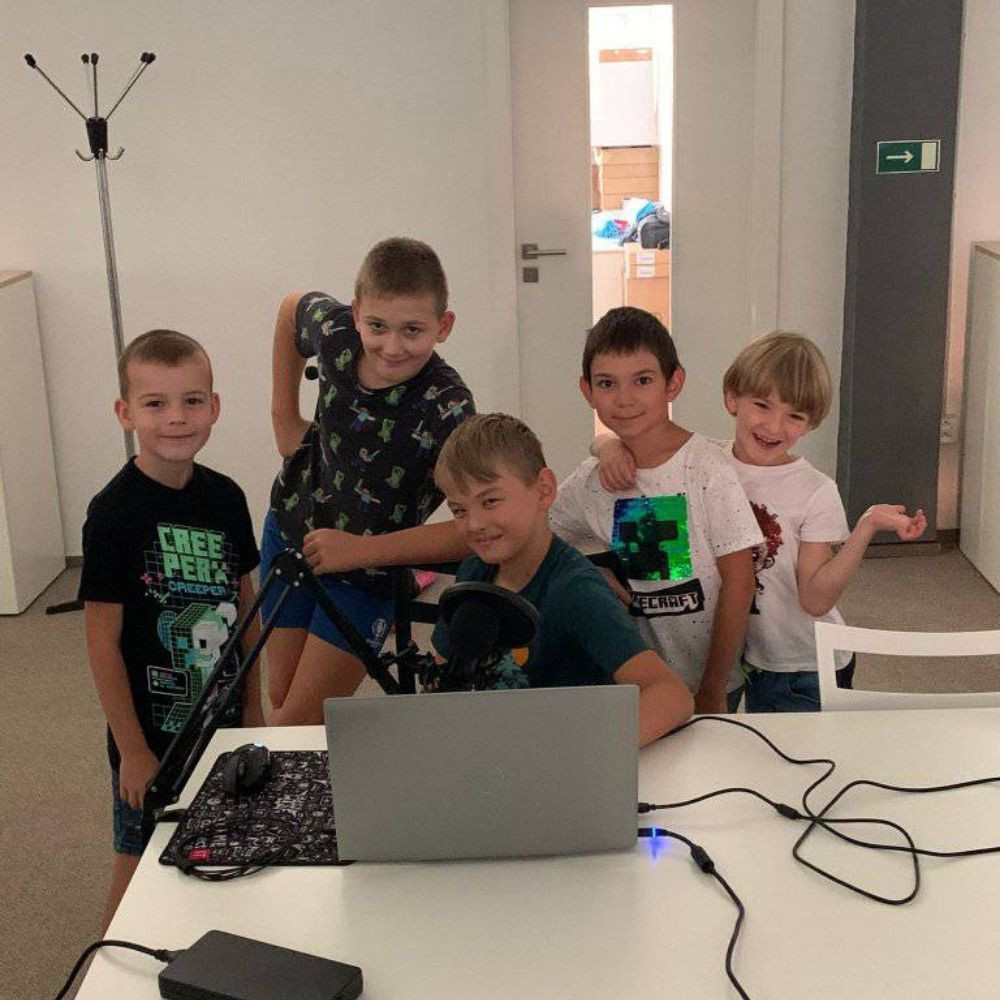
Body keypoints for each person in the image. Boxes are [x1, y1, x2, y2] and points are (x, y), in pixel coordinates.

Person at [596, 330, 927, 712]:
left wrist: (865, 526)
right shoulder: (704, 463)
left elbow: (816, 599)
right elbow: (643, 445)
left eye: (795, 416)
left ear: (811, 423)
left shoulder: (815, 490)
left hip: (802, 665)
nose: (774, 426)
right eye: (763, 405)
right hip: (742, 658)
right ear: (732, 398)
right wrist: (608, 446)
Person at [79, 330, 262, 931]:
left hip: (223, 724)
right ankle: (106, 969)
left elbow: (246, 607)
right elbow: (102, 642)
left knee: (227, 844)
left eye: (192, 400)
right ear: (125, 413)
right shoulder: (112, 513)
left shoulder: (227, 497)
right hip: (152, 738)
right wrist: (132, 750)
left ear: (214, 406)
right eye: (155, 403)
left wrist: (255, 710)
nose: (177, 418)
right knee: (138, 864)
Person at [265, 237, 474, 724]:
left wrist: (362, 551)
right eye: (377, 326)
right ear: (356, 313)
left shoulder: (450, 408)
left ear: (443, 326)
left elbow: (473, 528)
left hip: (366, 575)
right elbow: (291, 308)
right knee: (280, 693)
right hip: (289, 529)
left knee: (298, 720)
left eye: (413, 330)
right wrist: (283, 417)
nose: (392, 347)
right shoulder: (336, 331)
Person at [428, 413, 693, 745]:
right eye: (459, 510)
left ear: (544, 491)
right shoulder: (473, 572)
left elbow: (671, 695)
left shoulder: (576, 590)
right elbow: (444, 674)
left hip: (554, 752)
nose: (474, 524)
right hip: (493, 744)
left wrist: (577, 755)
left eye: (490, 501)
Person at [560, 307, 763, 714]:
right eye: (607, 383)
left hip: (709, 681)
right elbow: (535, 535)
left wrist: (712, 686)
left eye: (643, 380)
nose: (624, 399)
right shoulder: (592, 479)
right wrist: (585, 571)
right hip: (636, 682)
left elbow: (740, 581)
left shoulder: (706, 469)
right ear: (587, 390)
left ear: (673, 383)